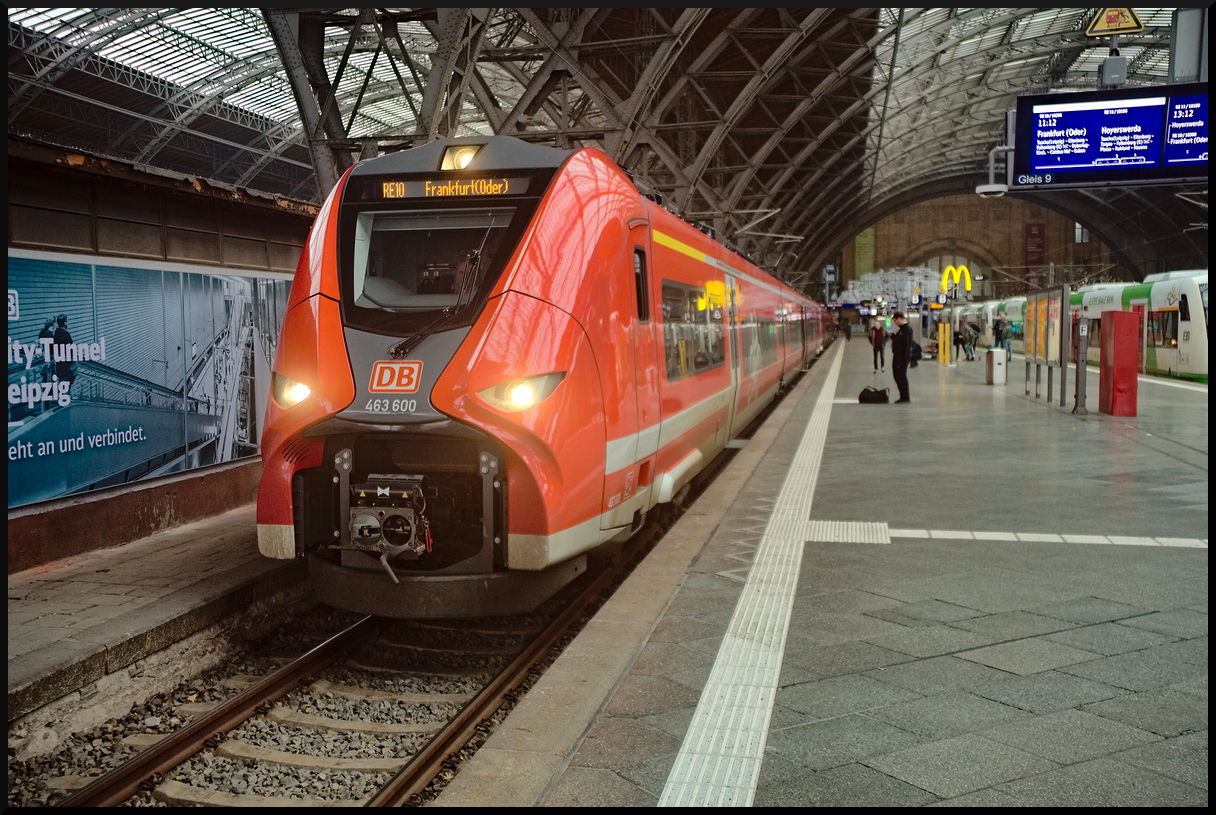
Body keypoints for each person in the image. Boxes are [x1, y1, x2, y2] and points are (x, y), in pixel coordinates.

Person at [890, 312, 912, 403]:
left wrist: (906, 360)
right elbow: (899, 342)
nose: (895, 323)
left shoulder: (907, 329)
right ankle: (903, 396)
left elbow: (906, 345)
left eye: (895, 321)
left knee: (901, 377)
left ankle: (905, 397)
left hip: (901, 358)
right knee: (897, 376)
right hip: (897, 357)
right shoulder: (902, 330)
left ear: (899, 319)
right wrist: (892, 336)